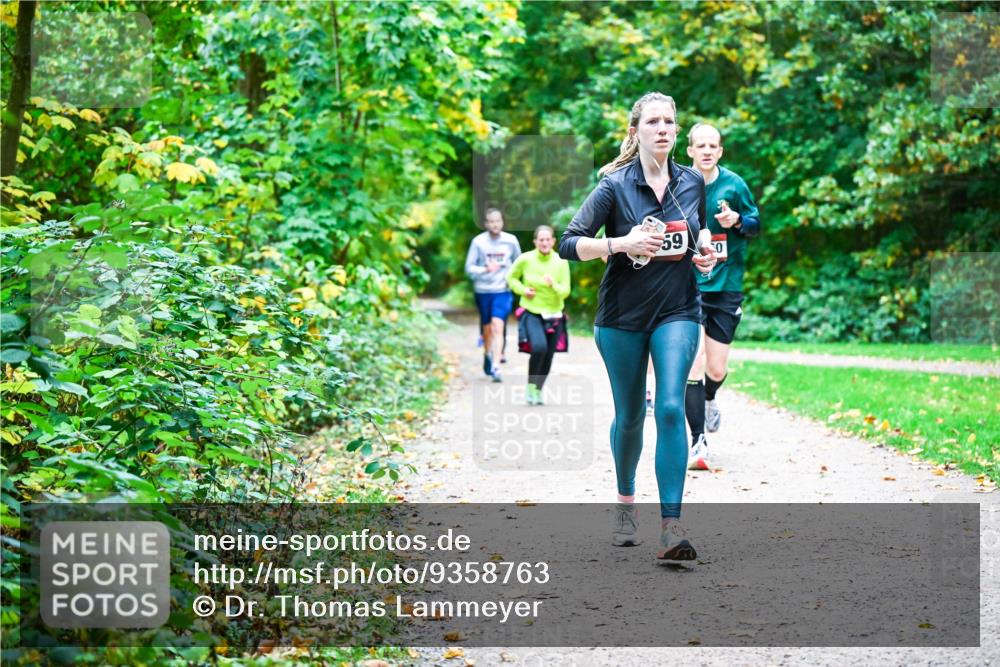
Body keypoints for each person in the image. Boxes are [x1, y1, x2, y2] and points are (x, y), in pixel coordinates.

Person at [559, 92, 716, 561]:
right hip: (621, 317)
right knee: (629, 416)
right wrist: (620, 243)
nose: (663, 128)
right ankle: (626, 503)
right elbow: (569, 242)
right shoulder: (614, 186)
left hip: (677, 310)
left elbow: (697, 231)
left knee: (669, 406)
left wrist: (704, 254)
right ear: (636, 131)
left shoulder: (692, 182)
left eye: (669, 121)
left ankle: (672, 526)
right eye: (653, 121)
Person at [683, 123, 761, 470]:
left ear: (720, 151)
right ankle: (698, 441)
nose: (706, 151)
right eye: (700, 145)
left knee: (716, 368)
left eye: (712, 145)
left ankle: (710, 397)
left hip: (726, 285)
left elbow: (756, 224)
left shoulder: (734, 184)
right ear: (690, 150)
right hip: (689, 285)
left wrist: (737, 221)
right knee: (695, 362)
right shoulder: (679, 183)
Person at [507, 225, 571, 405]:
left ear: (553, 241)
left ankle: (538, 390)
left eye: (547, 239)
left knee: (548, 355)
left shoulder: (561, 261)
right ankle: (530, 386)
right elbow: (511, 278)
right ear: (535, 241)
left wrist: (553, 285)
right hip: (532, 311)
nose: (544, 243)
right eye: (541, 240)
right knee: (539, 348)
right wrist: (523, 290)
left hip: (555, 315)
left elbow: (565, 291)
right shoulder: (525, 259)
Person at [465, 208, 521, 382]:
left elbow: (519, 263)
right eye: (491, 221)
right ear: (486, 224)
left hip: (502, 290)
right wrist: (485, 269)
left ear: (502, 222)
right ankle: (487, 354)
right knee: (487, 329)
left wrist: (515, 279)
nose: (495, 224)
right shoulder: (478, 242)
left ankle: (496, 366)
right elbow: (469, 268)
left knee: (498, 325)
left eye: (498, 221)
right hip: (483, 291)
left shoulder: (511, 241)